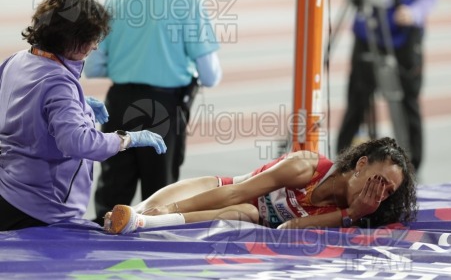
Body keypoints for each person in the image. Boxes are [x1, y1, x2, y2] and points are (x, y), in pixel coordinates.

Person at [0, 0, 167, 231]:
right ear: (71, 39)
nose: (96, 47)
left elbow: (21, 102)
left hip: (8, 192)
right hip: (40, 208)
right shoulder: (59, 83)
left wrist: (78, 104)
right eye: (93, 39)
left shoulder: (16, 60)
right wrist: (126, 139)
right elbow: (78, 142)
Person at [84, 0, 222, 225]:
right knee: (160, 198)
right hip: (164, 107)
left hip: (119, 102)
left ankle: (101, 250)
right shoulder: (188, 2)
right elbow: (210, 75)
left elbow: (93, 66)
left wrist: (129, 63)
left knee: (112, 194)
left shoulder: (118, 0)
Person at [103, 137, 417, 234]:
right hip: (226, 187)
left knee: (247, 214)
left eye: (388, 191)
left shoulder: (356, 213)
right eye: (379, 181)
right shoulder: (306, 167)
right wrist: (170, 208)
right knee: (145, 207)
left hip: (245, 216)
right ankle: (133, 215)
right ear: (361, 164)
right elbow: (236, 191)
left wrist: (350, 214)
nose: (379, 193)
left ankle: (143, 222)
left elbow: (288, 230)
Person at [336, 0, 438, 171]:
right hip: (367, 34)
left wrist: (413, 12)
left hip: (405, 40)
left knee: (408, 103)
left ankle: (411, 166)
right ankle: (343, 160)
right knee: (357, 101)